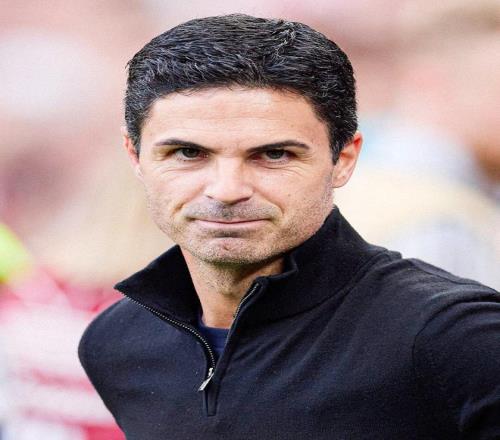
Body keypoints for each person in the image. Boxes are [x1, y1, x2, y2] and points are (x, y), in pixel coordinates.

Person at [79, 14, 500, 439]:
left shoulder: (456, 336)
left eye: (274, 154)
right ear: (135, 156)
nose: (227, 190)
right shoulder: (117, 342)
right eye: (188, 153)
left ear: (344, 159)